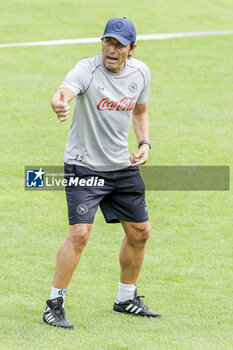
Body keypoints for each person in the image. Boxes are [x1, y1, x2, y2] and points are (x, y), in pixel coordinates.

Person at [43, 17, 161, 330]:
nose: (111, 49)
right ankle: (54, 304)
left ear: (131, 49)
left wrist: (145, 143)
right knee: (80, 233)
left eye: (119, 45)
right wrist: (59, 103)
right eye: (107, 42)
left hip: (121, 166)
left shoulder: (141, 73)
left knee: (140, 232)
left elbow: (140, 111)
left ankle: (126, 298)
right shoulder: (87, 69)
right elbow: (63, 93)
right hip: (83, 163)